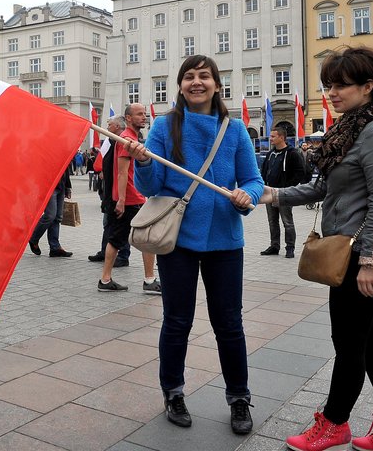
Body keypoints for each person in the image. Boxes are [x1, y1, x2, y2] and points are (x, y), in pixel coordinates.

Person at [257, 47, 373, 451]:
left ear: (367, 87)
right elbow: (321, 187)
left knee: (349, 344)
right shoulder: (347, 131)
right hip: (347, 254)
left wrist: (371, 262)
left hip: (367, 257)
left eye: (341, 85)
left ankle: (334, 423)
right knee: (367, 342)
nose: (331, 92)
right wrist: (271, 194)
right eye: (329, 84)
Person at [125, 56, 263, 435]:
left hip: (225, 241)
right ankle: (173, 391)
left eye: (204, 76)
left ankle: (239, 397)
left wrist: (245, 196)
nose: (196, 82)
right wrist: (143, 163)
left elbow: (253, 179)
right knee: (177, 321)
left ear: (217, 85)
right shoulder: (165, 128)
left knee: (229, 324)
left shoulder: (233, 130)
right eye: (189, 76)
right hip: (179, 241)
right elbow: (151, 189)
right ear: (180, 86)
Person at [98, 103, 161, 294]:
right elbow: (122, 172)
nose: (144, 117)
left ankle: (106, 279)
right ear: (128, 118)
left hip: (133, 197)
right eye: (139, 114)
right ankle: (149, 280)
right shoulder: (127, 140)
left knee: (117, 239)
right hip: (132, 198)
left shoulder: (131, 138)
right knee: (144, 239)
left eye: (144, 114)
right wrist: (122, 200)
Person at [88, 115, 131, 267]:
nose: (107, 127)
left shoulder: (123, 142)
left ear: (118, 127)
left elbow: (123, 172)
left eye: (110, 124)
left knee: (121, 225)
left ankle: (123, 256)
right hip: (108, 189)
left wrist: (121, 197)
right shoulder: (110, 141)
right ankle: (104, 251)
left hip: (119, 191)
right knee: (108, 223)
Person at [260, 125, 306, 259]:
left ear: (281, 137)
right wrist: (263, 185)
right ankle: (274, 246)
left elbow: (300, 172)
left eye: (273, 136)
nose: (270, 139)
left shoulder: (292, 153)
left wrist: (287, 187)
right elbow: (264, 172)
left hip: (284, 194)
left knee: (287, 222)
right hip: (270, 194)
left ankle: (290, 247)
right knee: (272, 221)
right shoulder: (270, 154)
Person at [28, 164, 73, 258]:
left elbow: (66, 167)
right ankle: (33, 237)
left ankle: (55, 248)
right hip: (48, 185)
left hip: (61, 185)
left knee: (57, 217)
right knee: (50, 215)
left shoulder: (62, 150)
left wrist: (68, 187)